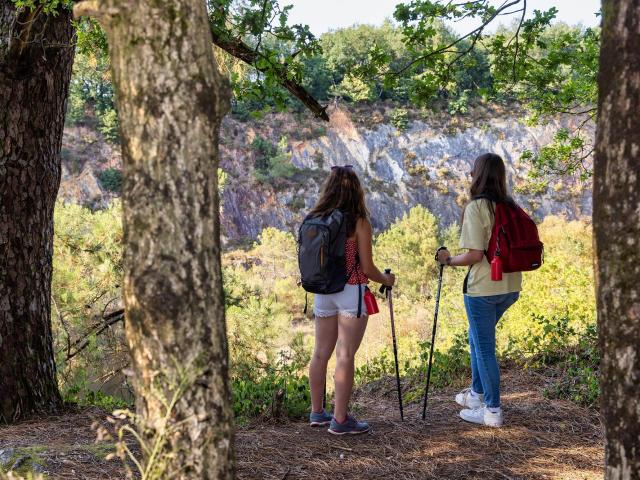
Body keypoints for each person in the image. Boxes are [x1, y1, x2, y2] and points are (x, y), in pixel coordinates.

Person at [307, 165, 395, 435]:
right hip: (351, 290)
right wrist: (387, 281)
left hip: (323, 291)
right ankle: (341, 419)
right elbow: (367, 268)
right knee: (345, 354)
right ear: (357, 190)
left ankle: (317, 412)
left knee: (320, 353)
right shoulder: (359, 222)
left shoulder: (316, 216)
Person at [436, 153, 521, 428]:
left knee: (484, 348)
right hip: (510, 286)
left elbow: (474, 255)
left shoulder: (477, 207)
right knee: (477, 338)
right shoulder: (510, 207)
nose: (470, 174)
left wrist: (448, 261)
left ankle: (492, 410)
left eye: (473, 171)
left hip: (483, 289)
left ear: (479, 175)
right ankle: (476, 394)